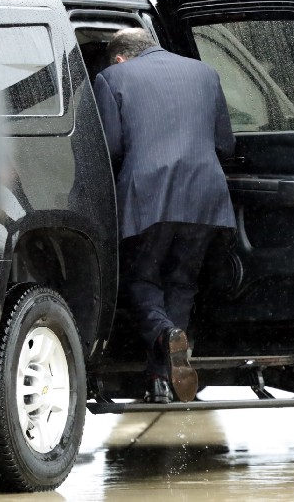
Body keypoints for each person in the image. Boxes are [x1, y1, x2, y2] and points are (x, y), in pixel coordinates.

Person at [93, 28, 236, 404]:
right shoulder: (204, 73)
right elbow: (225, 143)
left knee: (142, 280)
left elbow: (111, 146)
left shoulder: (112, 78)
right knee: (182, 283)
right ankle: (163, 378)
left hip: (147, 195)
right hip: (205, 195)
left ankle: (163, 332)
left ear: (120, 58)